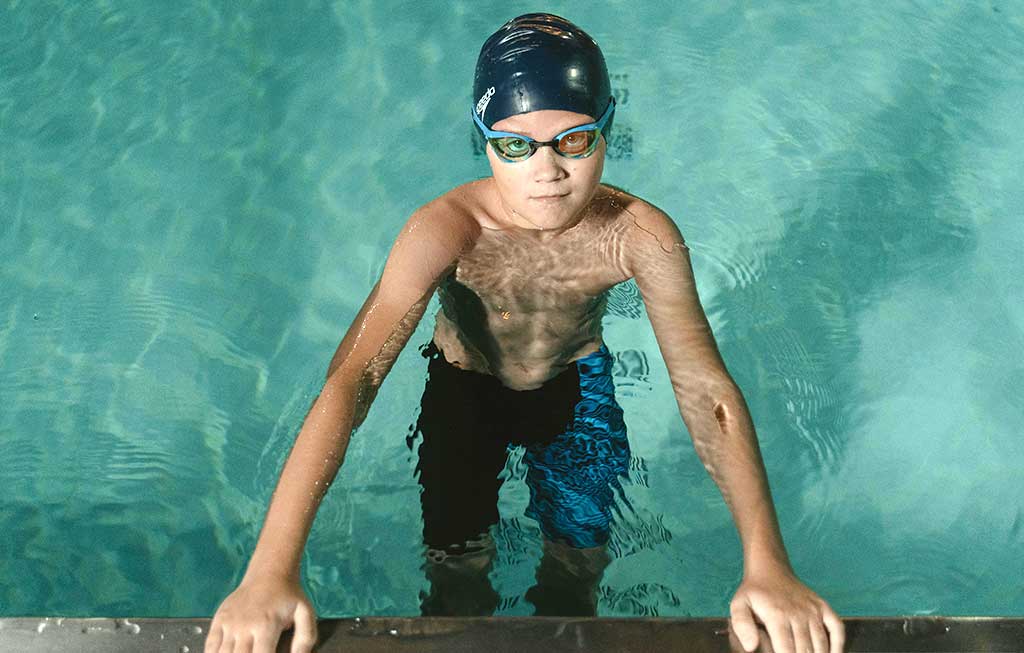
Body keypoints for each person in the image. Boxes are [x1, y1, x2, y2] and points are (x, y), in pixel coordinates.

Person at [205, 13, 846, 653]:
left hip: (576, 392)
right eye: (516, 146)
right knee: (456, 576)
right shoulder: (446, 230)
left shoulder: (639, 235)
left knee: (578, 573)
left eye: (573, 141)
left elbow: (706, 389)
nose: (546, 171)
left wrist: (767, 564)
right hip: (465, 393)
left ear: (608, 131)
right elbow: (355, 377)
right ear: (483, 140)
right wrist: (270, 571)